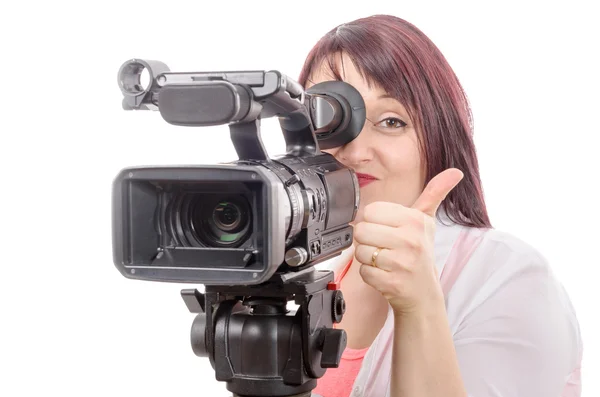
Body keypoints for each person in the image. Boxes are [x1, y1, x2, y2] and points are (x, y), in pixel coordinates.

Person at [297, 14, 583, 397]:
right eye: (332, 121)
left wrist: (419, 306)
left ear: (438, 136)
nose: (355, 152)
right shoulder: (317, 272)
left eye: (392, 121)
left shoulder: (509, 276)